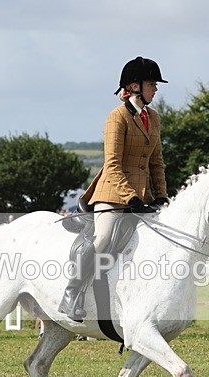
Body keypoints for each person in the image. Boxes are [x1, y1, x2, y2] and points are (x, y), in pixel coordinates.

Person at [59, 56, 169, 321]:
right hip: (113, 193)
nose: (156, 89)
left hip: (141, 197)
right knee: (104, 237)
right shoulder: (117, 117)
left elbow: (156, 162)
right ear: (134, 87)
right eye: (152, 84)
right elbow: (112, 164)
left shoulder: (153, 118)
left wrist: (162, 195)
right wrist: (130, 198)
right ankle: (71, 293)